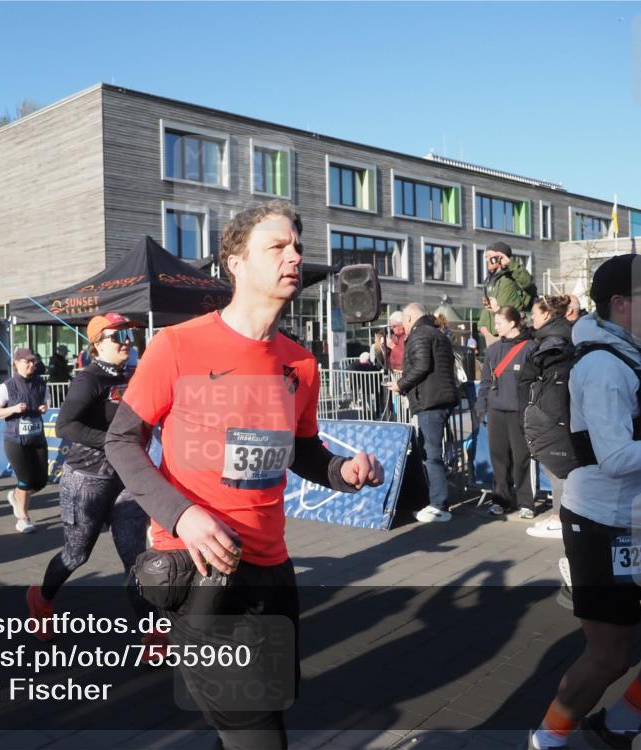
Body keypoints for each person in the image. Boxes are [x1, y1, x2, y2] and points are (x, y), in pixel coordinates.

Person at [104, 201, 384, 749]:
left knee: (261, 710)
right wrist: (182, 517)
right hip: (199, 568)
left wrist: (341, 469)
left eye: (297, 247)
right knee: (256, 732)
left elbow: (302, 450)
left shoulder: (300, 362)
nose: (294, 257)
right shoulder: (177, 346)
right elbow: (121, 440)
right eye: (277, 246)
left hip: (271, 567)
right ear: (234, 262)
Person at [529, 254, 641, 750]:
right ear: (621, 304)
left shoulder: (634, 354)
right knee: (610, 657)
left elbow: (637, 414)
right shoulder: (603, 363)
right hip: (602, 527)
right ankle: (546, 739)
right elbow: (617, 456)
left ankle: (614, 726)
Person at [27, 313, 152, 640]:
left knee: (135, 558)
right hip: (86, 479)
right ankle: (41, 600)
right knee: (77, 555)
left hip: (125, 478)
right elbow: (65, 426)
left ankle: (153, 634)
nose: (126, 341)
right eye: (117, 336)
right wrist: (113, 442)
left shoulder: (135, 374)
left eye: (128, 334)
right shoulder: (89, 379)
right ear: (96, 343)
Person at [388, 303, 459, 523]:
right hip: (439, 397)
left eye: (402, 324)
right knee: (431, 452)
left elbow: (420, 366)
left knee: (431, 455)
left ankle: (439, 505)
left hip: (430, 400)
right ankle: (435, 500)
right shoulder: (437, 333)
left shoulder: (420, 335)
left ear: (409, 319)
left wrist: (401, 384)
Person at [518, 295, 574, 539]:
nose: (532, 317)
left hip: (554, 411)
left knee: (559, 466)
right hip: (552, 410)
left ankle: (562, 517)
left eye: (535, 313)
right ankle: (559, 515)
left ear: (547, 315)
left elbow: (552, 377)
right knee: (556, 465)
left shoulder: (555, 341)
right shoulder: (553, 337)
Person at [476, 306, 537, 518]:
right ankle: (501, 499)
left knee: (521, 457)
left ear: (512, 323)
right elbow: (485, 383)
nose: (496, 326)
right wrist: (481, 409)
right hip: (496, 411)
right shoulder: (493, 351)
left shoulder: (530, 347)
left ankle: (526, 502)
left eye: (499, 322)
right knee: (499, 458)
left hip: (520, 411)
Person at [0, 347, 49, 533]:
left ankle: (16, 496)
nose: (31, 365)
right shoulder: (8, 385)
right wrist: (13, 409)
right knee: (25, 479)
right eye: (27, 362)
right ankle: (23, 518)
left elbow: (46, 403)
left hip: (37, 436)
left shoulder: (41, 383)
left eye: (33, 361)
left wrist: (43, 408)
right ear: (16, 364)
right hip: (15, 440)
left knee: (40, 482)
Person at [478, 241, 534, 345]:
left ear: (500, 257)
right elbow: (487, 308)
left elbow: (527, 282)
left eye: (489, 256)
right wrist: (482, 326)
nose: (486, 260)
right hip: (492, 335)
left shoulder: (513, 275)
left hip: (510, 333)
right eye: (485, 257)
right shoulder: (490, 279)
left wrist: (510, 264)